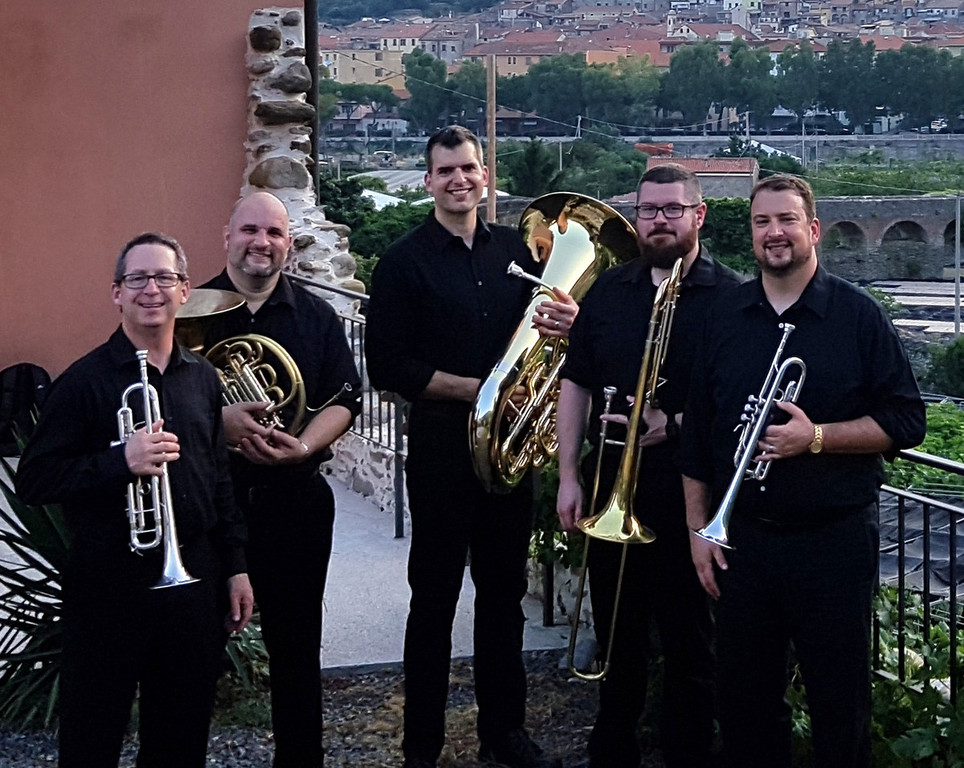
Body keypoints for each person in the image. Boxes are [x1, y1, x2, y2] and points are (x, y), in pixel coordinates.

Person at [680, 174, 926, 768]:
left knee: (840, 708)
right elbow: (698, 435)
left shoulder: (859, 316)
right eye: (762, 222)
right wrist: (697, 531)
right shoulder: (724, 316)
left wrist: (814, 438)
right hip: (743, 543)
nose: (774, 233)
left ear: (813, 229)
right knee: (745, 707)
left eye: (787, 220)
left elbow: (906, 421)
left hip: (833, 545)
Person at [364, 125, 577, 768]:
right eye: (446, 171)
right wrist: (480, 390)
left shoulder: (516, 250)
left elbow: (546, 342)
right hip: (441, 450)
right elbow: (388, 366)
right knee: (432, 599)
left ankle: (503, 733)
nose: (459, 180)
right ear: (429, 180)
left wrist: (564, 325)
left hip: (510, 453)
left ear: (485, 176)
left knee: (504, 596)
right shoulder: (402, 262)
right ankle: (421, 745)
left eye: (469, 169)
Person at [16, 232, 254, 768]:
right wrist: (118, 461)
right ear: (117, 294)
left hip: (192, 583)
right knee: (91, 739)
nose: (152, 290)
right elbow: (34, 480)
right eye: (138, 278)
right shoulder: (83, 382)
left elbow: (219, 480)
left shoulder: (204, 379)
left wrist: (236, 567)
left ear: (185, 291)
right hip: (108, 590)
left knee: (181, 740)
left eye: (164, 278)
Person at [555, 163, 741, 768]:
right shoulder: (612, 289)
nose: (659, 221)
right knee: (617, 636)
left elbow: (740, 402)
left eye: (672, 209)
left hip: (691, 492)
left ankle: (688, 755)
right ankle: (613, 752)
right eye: (648, 210)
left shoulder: (733, 298)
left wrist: (674, 424)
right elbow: (577, 382)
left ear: (698, 215)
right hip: (611, 479)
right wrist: (568, 476)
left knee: (691, 641)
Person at [199, 191, 362, 768]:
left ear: (288, 244)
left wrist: (304, 446)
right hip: (212, 506)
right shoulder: (190, 312)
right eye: (250, 230)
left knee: (297, 651)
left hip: (295, 500)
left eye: (273, 233)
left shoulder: (315, 316)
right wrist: (218, 424)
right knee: (195, 654)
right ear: (227, 236)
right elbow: (162, 400)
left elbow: (346, 397)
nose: (261, 243)